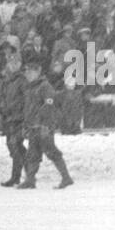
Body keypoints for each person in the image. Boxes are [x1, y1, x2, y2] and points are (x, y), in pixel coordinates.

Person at [18, 51, 73, 189]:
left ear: (38, 72)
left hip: (43, 127)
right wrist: (27, 124)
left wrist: (46, 125)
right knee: (32, 154)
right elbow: (28, 109)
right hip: (33, 126)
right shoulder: (30, 88)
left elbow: (49, 106)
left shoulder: (45, 86)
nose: (28, 74)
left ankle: (66, 177)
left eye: (30, 72)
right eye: (26, 72)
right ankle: (30, 180)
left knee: (51, 152)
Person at [0, 48, 27, 186]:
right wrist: (2, 109)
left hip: (19, 118)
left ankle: (17, 176)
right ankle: (26, 171)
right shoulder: (7, 81)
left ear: (20, 64)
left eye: (16, 63)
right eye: (11, 63)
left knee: (15, 145)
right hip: (9, 117)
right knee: (15, 146)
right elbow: (3, 97)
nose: (13, 65)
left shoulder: (22, 80)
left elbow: (26, 99)